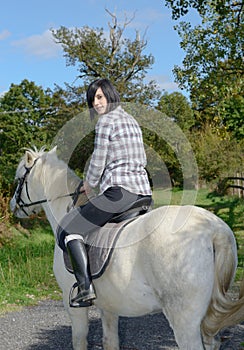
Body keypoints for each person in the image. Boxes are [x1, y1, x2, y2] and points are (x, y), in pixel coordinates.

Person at [57, 78, 152, 307]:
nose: (96, 103)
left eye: (99, 97)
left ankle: (85, 289)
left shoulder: (106, 121)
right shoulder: (131, 120)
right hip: (143, 195)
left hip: (118, 194)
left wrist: (88, 184)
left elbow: (99, 159)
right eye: (92, 100)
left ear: (110, 95)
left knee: (69, 231)